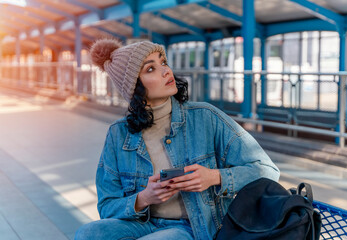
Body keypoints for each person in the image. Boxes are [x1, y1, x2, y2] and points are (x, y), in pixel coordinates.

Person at [75, 39, 280, 240]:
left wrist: (213, 177)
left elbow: (268, 170)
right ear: (134, 87)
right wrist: (144, 198)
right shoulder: (118, 134)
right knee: (86, 234)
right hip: (142, 224)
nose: (166, 71)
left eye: (163, 62)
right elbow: (107, 206)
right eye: (150, 69)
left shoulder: (205, 117)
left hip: (192, 228)